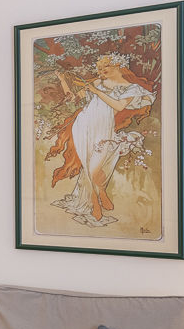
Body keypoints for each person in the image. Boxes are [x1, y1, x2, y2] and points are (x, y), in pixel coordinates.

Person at [46, 54, 155, 227]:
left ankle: (101, 190)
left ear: (118, 66)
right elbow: (74, 98)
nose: (101, 72)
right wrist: (63, 80)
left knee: (96, 167)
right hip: (83, 125)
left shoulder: (131, 88)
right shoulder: (97, 82)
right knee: (88, 165)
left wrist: (97, 92)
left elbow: (118, 106)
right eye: (100, 69)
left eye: (105, 68)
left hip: (104, 128)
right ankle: (95, 200)